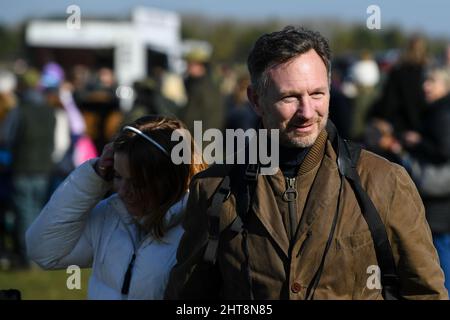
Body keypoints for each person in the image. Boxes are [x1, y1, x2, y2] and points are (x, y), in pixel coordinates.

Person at [165, 26, 448, 300]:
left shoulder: (383, 181)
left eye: (317, 94)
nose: (307, 112)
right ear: (255, 99)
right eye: (290, 97)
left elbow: (425, 293)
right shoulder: (214, 189)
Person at [26, 115, 206, 299]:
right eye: (117, 176)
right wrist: (95, 173)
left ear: (169, 179)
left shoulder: (200, 229)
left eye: (137, 183)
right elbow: (44, 251)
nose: (122, 191)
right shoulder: (111, 214)